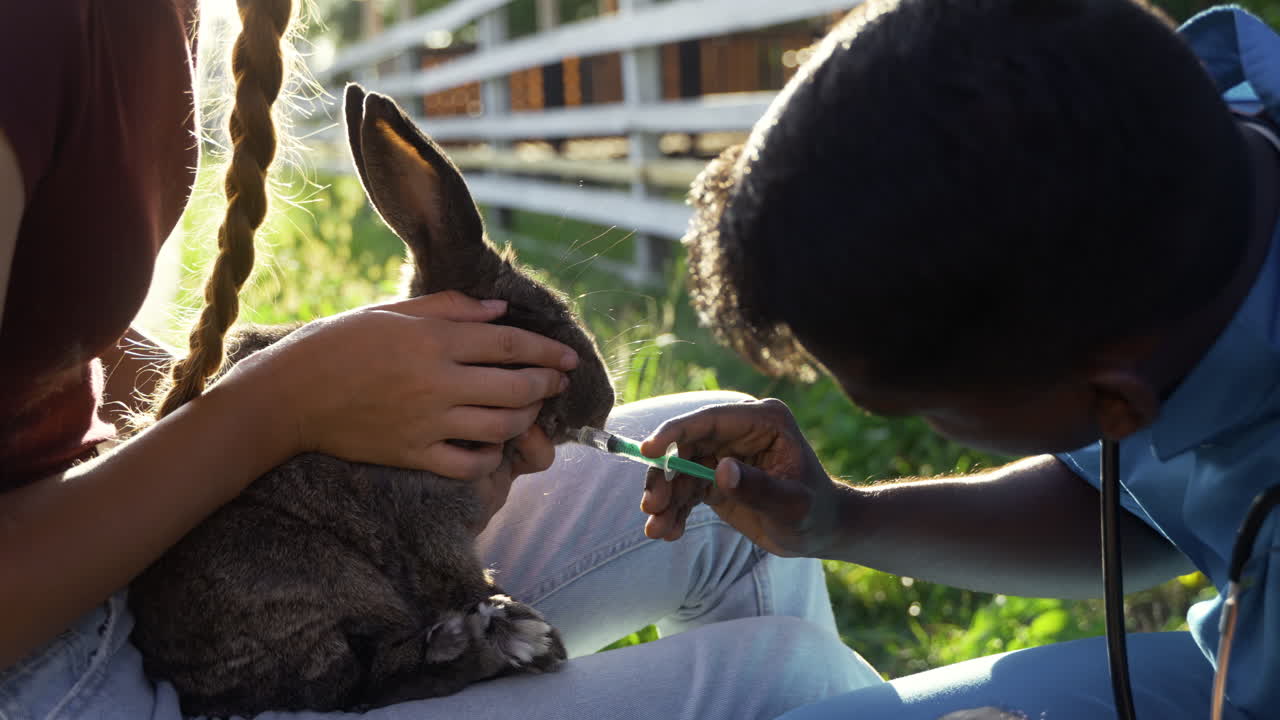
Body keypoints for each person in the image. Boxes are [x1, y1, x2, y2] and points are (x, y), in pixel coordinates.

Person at [0, 2, 883, 718]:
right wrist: (285, 400)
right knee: (785, 676)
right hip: (71, 674)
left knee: (731, 524)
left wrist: (356, 387)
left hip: (127, 558)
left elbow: (50, 343)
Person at [638, 1, 1280, 718]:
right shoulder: (1171, 161)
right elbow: (1126, 503)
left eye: (918, 409)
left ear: (1115, 403)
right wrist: (840, 519)